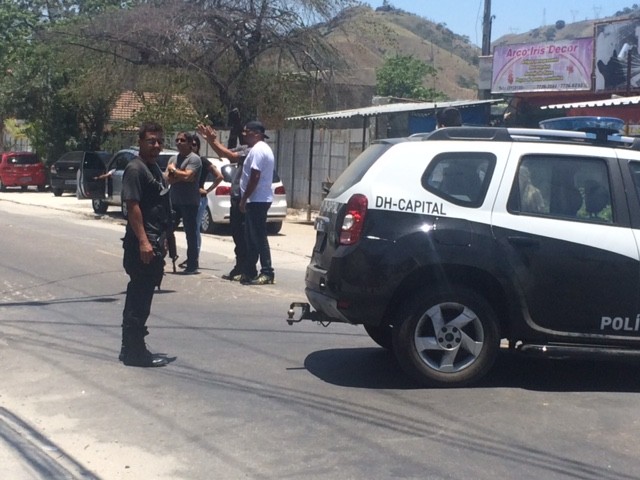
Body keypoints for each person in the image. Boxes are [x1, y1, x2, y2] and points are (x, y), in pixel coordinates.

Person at [120, 121, 171, 367]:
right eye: (151, 141)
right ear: (140, 142)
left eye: (159, 141)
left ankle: (129, 348)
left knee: (143, 296)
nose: (156, 145)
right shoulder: (135, 168)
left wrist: (163, 241)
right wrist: (143, 241)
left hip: (153, 241)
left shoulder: (153, 168)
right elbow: (133, 206)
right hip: (142, 243)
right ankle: (134, 352)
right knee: (139, 297)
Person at [197, 123, 250, 281]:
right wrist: (211, 140)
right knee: (237, 234)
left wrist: (214, 141)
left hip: (244, 197)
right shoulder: (245, 147)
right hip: (236, 196)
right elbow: (224, 154)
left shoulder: (253, 150)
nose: (244, 132)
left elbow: (231, 156)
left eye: (247, 130)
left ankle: (247, 268)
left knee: (244, 235)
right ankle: (240, 266)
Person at [239, 120, 275, 285]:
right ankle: (249, 271)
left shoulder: (259, 150)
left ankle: (267, 272)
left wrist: (245, 198)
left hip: (257, 200)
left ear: (256, 133)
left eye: (246, 131)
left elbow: (255, 176)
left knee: (259, 237)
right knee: (251, 237)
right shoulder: (257, 149)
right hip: (256, 199)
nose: (244, 134)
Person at [166, 131, 202, 274]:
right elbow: (168, 179)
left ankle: (192, 264)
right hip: (174, 201)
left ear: (189, 143)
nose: (179, 143)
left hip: (189, 202)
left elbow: (189, 176)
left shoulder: (194, 159)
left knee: (190, 234)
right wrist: (178, 175)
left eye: (182, 140)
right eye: (177, 140)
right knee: (167, 230)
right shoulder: (173, 158)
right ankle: (164, 257)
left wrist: (175, 172)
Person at [193, 135, 223, 256]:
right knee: (189, 228)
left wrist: (207, 190)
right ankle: (192, 254)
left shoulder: (202, 161)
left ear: (198, 146)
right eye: (190, 144)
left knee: (195, 228)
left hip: (200, 199)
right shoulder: (185, 160)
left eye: (194, 144)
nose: (191, 147)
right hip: (187, 198)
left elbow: (219, 176)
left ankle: (195, 255)